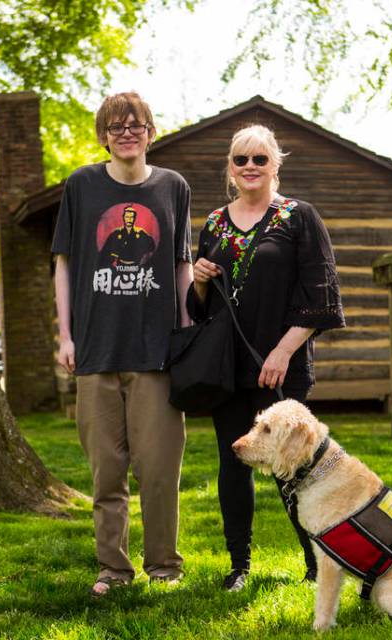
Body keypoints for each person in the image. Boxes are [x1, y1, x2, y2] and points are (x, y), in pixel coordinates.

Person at [189, 124, 345, 591]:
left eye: (260, 159)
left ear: (276, 164)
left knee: (293, 468)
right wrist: (198, 278)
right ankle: (239, 566)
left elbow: (321, 298)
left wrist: (282, 351)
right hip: (225, 366)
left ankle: (317, 563)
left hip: (282, 366)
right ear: (230, 169)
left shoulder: (299, 217)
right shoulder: (215, 223)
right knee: (232, 462)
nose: (250, 167)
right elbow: (198, 310)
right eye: (241, 160)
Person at [52, 92, 194, 597]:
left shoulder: (173, 187)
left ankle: (164, 566)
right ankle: (112, 568)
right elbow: (65, 263)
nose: (126, 132)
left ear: (151, 132)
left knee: (158, 471)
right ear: (103, 135)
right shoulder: (82, 187)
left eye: (136, 125)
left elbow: (181, 264)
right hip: (95, 352)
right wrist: (65, 335)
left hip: (155, 352)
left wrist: (184, 332)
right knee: (107, 472)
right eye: (116, 126)